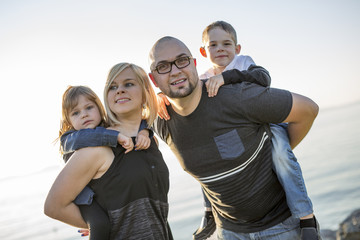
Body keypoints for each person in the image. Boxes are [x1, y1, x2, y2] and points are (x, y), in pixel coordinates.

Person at [58, 37, 319, 239]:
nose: (174, 71)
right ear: (154, 80)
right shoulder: (161, 122)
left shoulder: (237, 98)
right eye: (163, 66)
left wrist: (272, 153)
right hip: (228, 231)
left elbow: (307, 110)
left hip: (281, 228)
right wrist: (98, 222)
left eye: (182, 60)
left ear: (194, 64)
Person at [157, 21, 319, 240]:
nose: (221, 49)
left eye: (227, 44)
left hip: (268, 125)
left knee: (281, 155)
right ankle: (209, 214)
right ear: (204, 52)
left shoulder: (243, 62)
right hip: (231, 227)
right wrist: (160, 97)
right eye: (213, 45)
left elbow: (264, 78)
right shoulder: (203, 77)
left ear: (237, 48)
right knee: (208, 162)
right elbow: (183, 90)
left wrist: (226, 78)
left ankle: (306, 216)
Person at [44, 63, 173, 240]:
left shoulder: (150, 141)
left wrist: (146, 130)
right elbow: (54, 206)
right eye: (113, 86)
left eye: (128, 84)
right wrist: (100, 225)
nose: (120, 90)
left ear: (145, 92)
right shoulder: (95, 149)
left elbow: (157, 210)